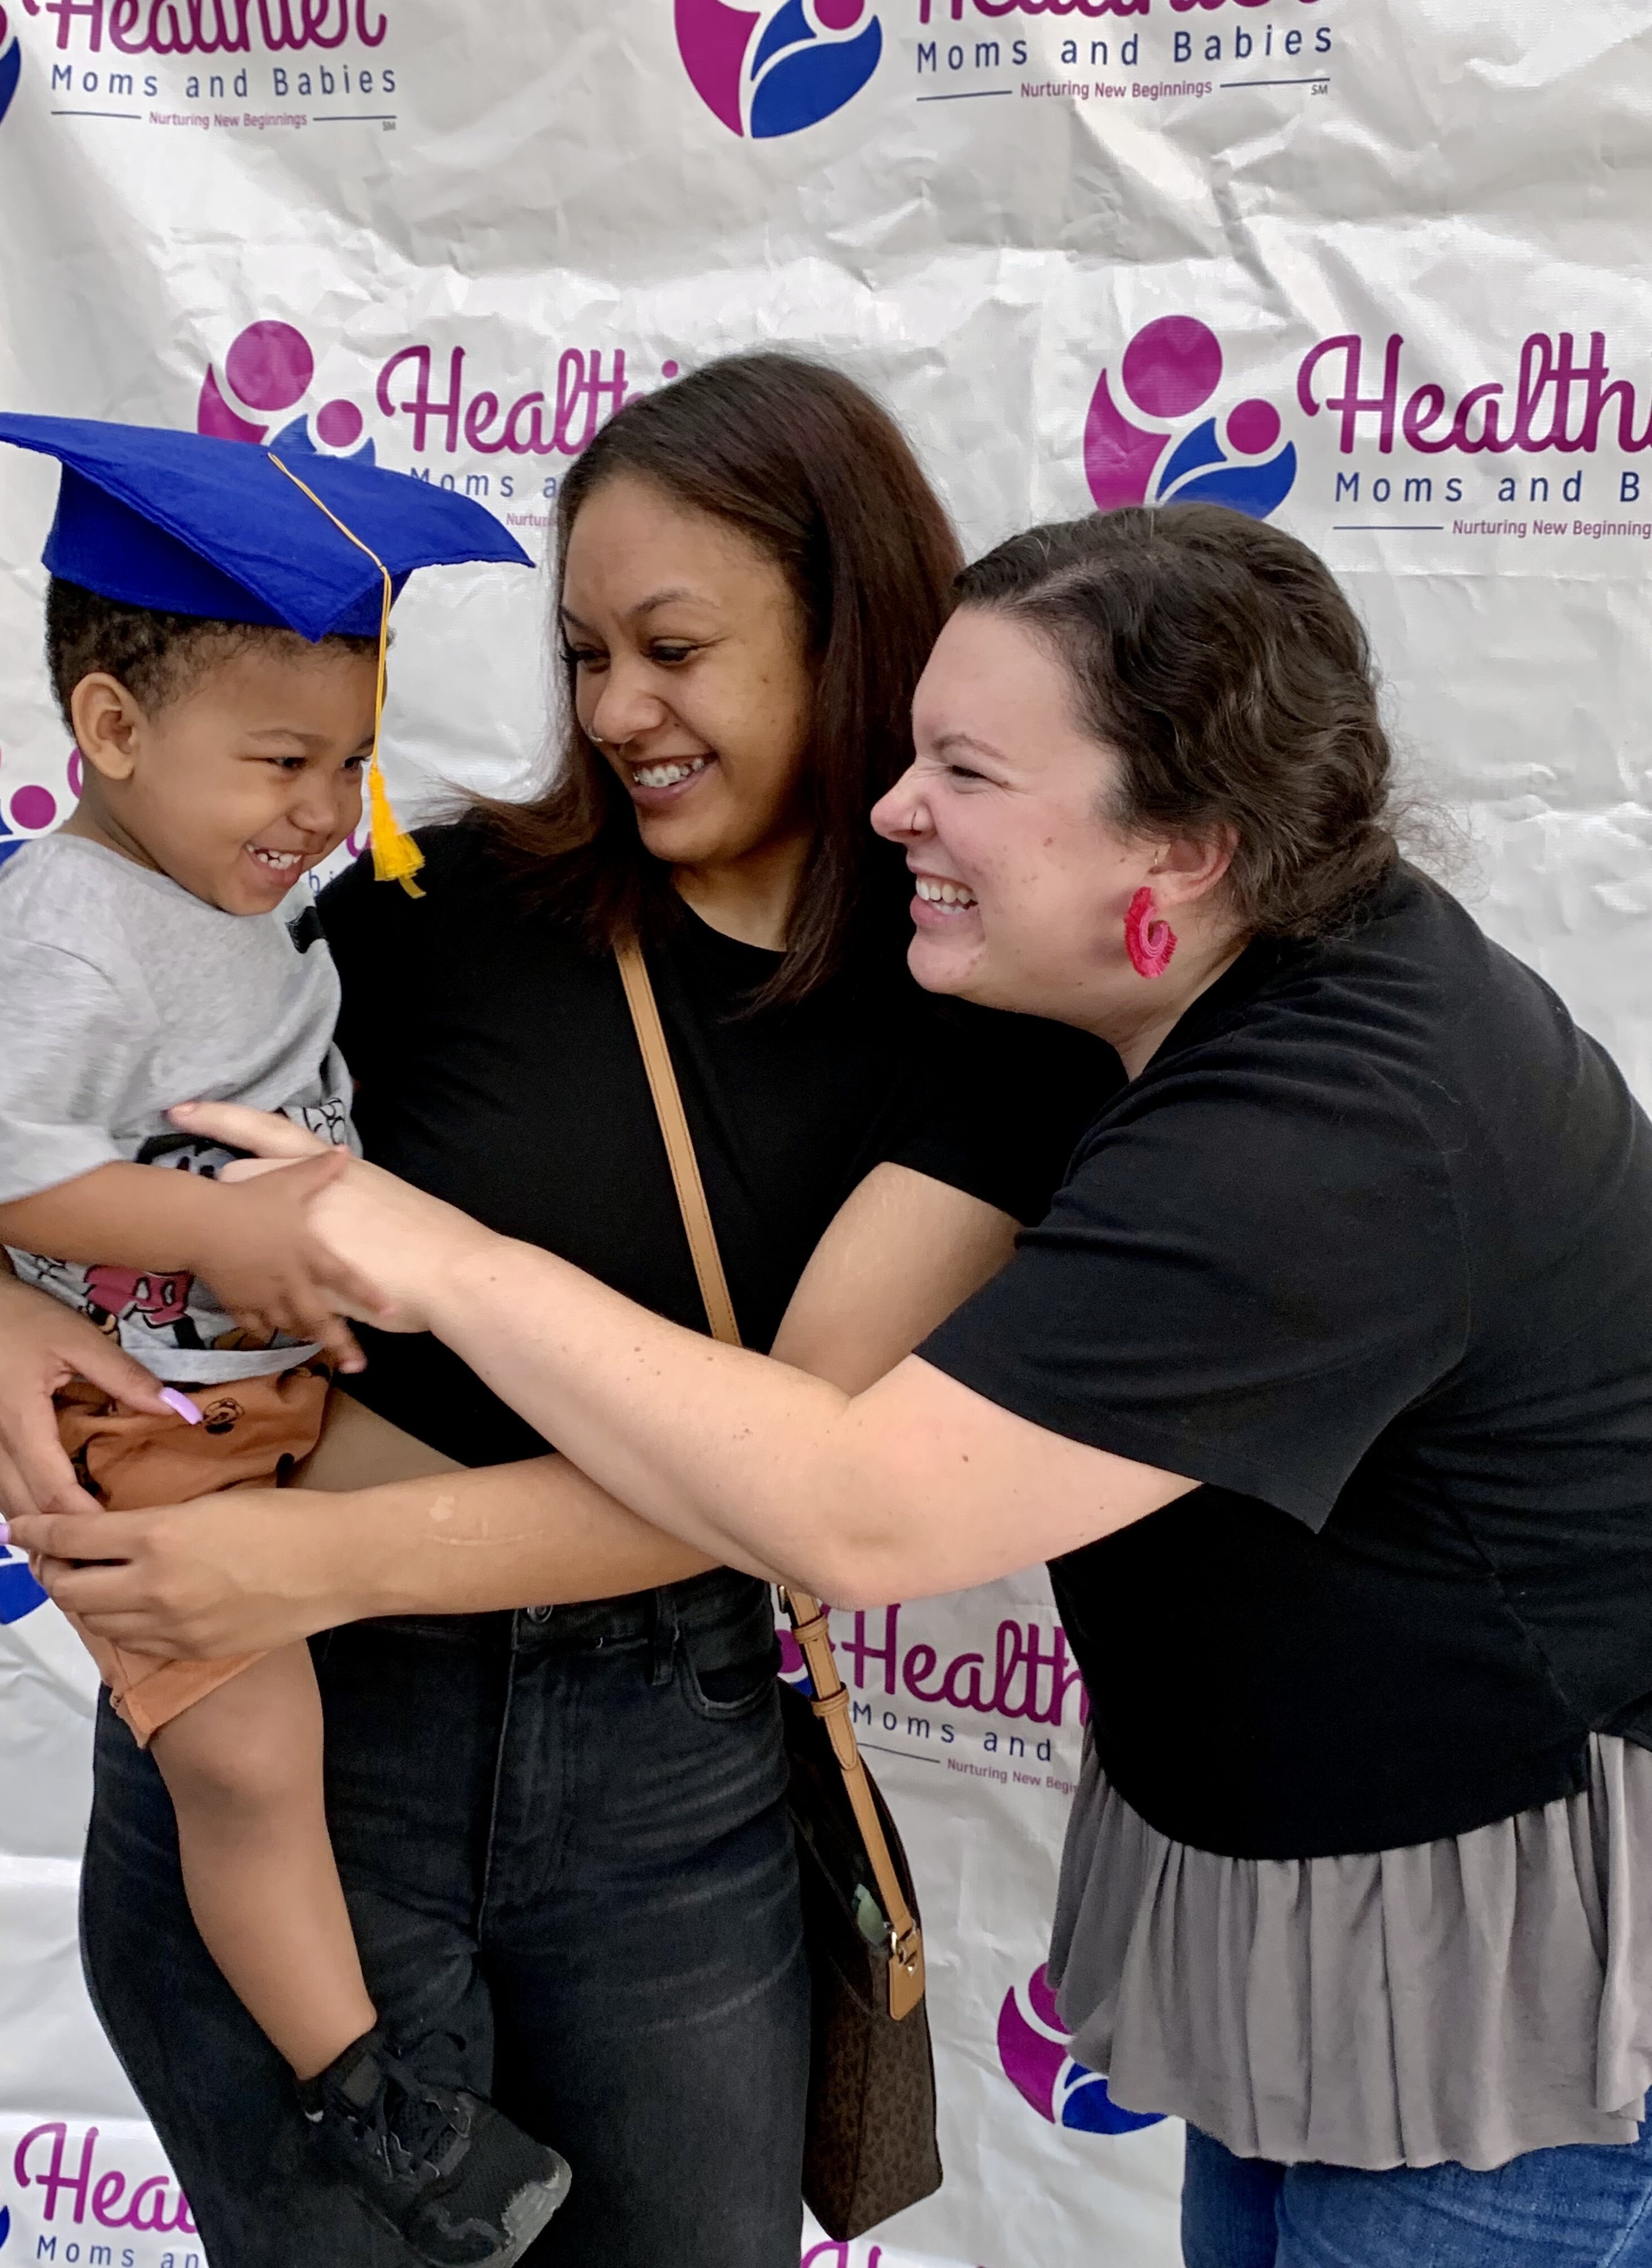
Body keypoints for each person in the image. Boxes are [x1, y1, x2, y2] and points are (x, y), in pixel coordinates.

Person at [125, 503, 1652, 2268]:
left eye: (967, 772)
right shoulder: (1202, 986)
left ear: (1186, 849)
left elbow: (860, 1507)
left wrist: (443, 1261)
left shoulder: (1332, 1129)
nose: (893, 805)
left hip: (1501, 1982)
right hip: (1339, 1904)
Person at [0, 358, 1117, 2267]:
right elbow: (24, 1129)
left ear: (853, 636)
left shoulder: (980, 1032)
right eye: (584, 654)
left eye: (674, 648)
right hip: (308, 1766)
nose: (615, 713)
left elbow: (797, 1476)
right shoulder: (439, 905)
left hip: (664, 1792)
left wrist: (307, 1571)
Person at [0, 415, 566, 2266]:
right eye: (281, 761)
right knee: (246, 1756)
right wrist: (227, 1229)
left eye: (349, 763)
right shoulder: (68, 931)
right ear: (113, 730)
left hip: (274, 1391)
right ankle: (373, 2098)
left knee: (498, 1516)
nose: (316, 809)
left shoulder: (226, 898)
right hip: (137, 1414)